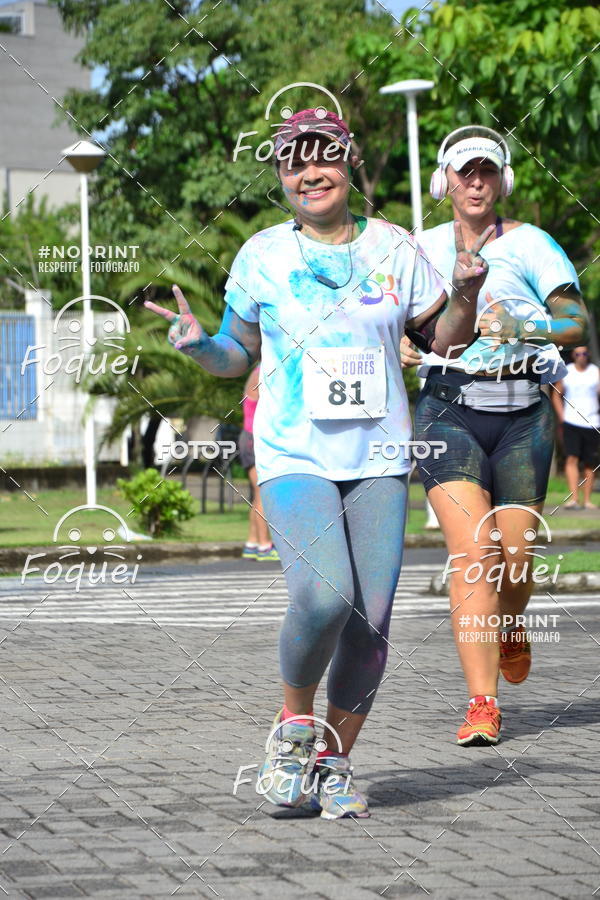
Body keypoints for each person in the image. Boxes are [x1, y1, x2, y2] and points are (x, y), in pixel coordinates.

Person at [146, 109, 491, 818]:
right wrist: (199, 345)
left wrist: (464, 291)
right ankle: (293, 730)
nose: (310, 171)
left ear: (348, 162)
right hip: (293, 450)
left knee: (372, 619)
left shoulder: (394, 246)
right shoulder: (263, 254)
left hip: (379, 455)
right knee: (326, 596)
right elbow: (236, 353)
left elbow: (445, 341)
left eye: (323, 156)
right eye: (293, 161)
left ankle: (334, 762)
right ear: (280, 174)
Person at [401, 125, 589, 746]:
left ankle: (509, 623)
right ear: (445, 182)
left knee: (514, 560)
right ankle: (482, 702)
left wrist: (523, 327)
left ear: (502, 180)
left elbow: (575, 323)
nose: (476, 182)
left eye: (487, 171)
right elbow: (389, 317)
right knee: (473, 554)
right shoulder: (420, 248)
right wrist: (399, 341)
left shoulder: (532, 243)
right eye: (465, 172)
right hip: (447, 411)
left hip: (523, 416)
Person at [239, 363, 280, 560]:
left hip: (251, 437)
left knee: (257, 495)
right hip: (254, 438)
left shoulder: (259, 370)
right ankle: (264, 546)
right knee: (262, 492)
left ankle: (252, 542)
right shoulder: (263, 371)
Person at [551, 346, 600, 509]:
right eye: (578, 353)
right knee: (571, 458)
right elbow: (556, 394)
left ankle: (587, 500)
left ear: (588, 354)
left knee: (590, 462)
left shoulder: (595, 371)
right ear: (573, 355)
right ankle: (574, 498)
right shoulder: (567, 371)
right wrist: (562, 417)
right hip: (571, 421)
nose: (581, 356)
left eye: (584, 353)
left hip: (592, 422)